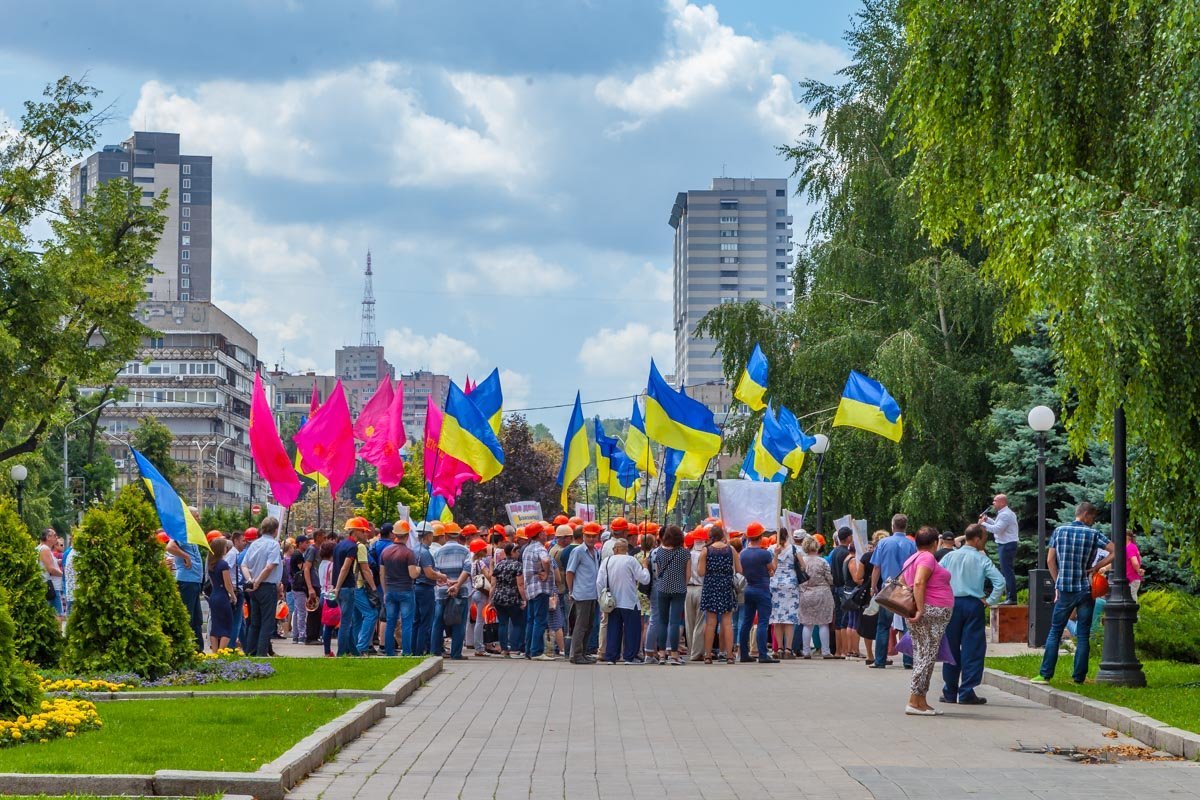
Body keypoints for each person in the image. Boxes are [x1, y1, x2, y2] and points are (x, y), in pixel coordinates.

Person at [1034, 502, 1114, 685]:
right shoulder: (1093, 534)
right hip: (1086, 589)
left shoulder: (1059, 531)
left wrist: (1057, 582)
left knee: (1055, 631)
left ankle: (1045, 675)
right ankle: (1079, 677)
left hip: (1065, 589)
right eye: (1092, 518)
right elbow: (1115, 551)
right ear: (1085, 514)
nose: (1092, 522)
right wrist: (1096, 567)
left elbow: (1050, 560)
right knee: (1083, 634)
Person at [939, 523, 1004, 705]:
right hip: (973, 605)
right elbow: (1000, 581)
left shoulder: (949, 557)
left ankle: (950, 691)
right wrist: (990, 601)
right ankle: (967, 690)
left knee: (950, 648)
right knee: (973, 648)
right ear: (976, 539)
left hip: (951, 604)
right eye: (984, 538)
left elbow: (936, 575)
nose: (984, 542)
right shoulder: (981, 559)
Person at [901, 526, 956, 716]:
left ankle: (921, 700)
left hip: (927, 612)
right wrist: (921, 607)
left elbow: (903, 581)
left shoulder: (912, 558)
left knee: (925, 655)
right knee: (925, 656)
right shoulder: (927, 557)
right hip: (930, 612)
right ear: (935, 543)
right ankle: (913, 701)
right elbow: (918, 582)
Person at [870, 515, 917, 669]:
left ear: (892, 526)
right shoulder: (911, 544)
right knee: (907, 625)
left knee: (883, 625)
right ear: (906, 526)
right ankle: (908, 660)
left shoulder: (883, 543)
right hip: (906, 589)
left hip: (888, 587)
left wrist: (873, 586)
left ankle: (880, 660)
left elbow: (876, 567)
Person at [597, 537, 649, 664]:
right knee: (632, 629)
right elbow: (644, 579)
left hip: (612, 602)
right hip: (630, 601)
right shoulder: (631, 560)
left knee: (613, 629)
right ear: (626, 549)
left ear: (615, 549)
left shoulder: (607, 561)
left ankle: (611, 656)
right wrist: (645, 567)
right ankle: (629, 656)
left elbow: (599, 582)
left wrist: (601, 599)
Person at [698, 525, 741, 664]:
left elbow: (701, 572)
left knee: (710, 623)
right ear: (722, 535)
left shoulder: (706, 550)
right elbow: (739, 569)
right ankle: (729, 655)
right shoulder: (731, 549)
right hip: (726, 586)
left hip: (711, 586)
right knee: (727, 623)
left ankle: (708, 655)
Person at [647, 525, 690, 665]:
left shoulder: (658, 552)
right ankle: (674, 655)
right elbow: (688, 575)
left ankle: (661, 655)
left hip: (662, 588)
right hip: (679, 589)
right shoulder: (684, 553)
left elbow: (658, 572)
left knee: (662, 621)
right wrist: (682, 583)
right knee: (674, 622)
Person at [242, 516, 284, 657]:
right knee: (267, 622)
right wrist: (258, 581)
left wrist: (250, 580)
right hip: (266, 586)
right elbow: (270, 566)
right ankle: (261, 653)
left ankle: (250, 651)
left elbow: (244, 564)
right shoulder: (273, 545)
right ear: (275, 530)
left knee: (255, 622)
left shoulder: (254, 544)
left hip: (254, 586)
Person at [737, 523, 777, 663]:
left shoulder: (743, 554)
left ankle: (743, 653)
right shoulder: (765, 554)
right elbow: (772, 570)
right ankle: (762, 654)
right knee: (762, 622)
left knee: (746, 622)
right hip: (763, 590)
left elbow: (741, 570)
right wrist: (776, 556)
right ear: (760, 537)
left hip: (748, 588)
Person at [432, 524, 471, 659]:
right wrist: (457, 585)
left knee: (438, 622)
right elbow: (467, 570)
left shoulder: (438, 552)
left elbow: (436, 571)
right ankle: (456, 654)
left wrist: (447, 582)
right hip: (461, 592)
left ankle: (435, 652)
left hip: (442, 591)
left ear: (446, 535)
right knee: (459, 623)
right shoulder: (465, 551)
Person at [380, 528, 419, 657]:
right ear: (407, 536)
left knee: (391, 621)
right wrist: (418, 570)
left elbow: (382, 573)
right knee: (406, 623)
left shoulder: (385, 552)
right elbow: (413, 574)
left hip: (390, 591)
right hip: (406, 590)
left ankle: (389, 652)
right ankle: (407, 652)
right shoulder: (409, 553)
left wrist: (385, 591)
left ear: (395, 534)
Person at [566, 524, 602, 664]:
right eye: (588, 536)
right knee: (580, 626)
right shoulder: (578, 551)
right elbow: (570, 572)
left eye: (594, 536)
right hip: (582, 594)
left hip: (593, 593)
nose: (591, 539)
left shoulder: (595, 552)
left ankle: (583, 652)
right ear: (583, 536)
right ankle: (575, 654)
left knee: (588, 626)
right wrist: (571, 591)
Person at [166, 529, 205, 652]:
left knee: (197, 618)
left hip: (194, 581)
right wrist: (186, 556)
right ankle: (183, 648)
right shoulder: (181, 532)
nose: (198, 518)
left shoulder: (191, 534)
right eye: (196, 515)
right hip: (187, 580)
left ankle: (198, 648)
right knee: (187, 616)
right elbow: (170, 546)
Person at [332, 519, 367, 657]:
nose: (365, 534)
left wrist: (334, 586)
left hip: (339, 587)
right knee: (346, 622)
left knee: (349, 621)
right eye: (363, 531)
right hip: (346, 587)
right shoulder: (353, 547)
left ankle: (355, 652)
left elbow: (334, 567)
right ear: (356, 531)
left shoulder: (339, 545)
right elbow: (345, 567)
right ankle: (341, 653)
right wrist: (338, 587)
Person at [798, 534, 836, 659]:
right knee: (823, 623)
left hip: (805, 593)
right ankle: (825, 651)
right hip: (822, 593)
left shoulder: (801, 561)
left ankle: (806, 651)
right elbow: (830, 578)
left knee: (807, 624)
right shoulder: (822, 561)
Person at [522, 524, 554, 661]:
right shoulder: (540, 548)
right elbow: (546, 560)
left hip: (530, 588)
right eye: (543, 532)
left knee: (531, 620)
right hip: (540, 588)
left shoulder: (527, 549)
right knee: (540, 620)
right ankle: (536, 652)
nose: (545, 534)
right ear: (539, 534)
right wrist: (546, 573)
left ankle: (529, 650)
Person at [980, 494, 1019, 604]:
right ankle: (1010, 597)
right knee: (1006, 571)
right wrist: (988, 520)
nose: (993, 503)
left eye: (995, 501)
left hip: (1006, 544)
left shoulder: (1005, 514)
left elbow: (997, 529)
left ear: (1002, 502)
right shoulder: (1003, 514)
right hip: (1006, 544)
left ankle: (1011, 598)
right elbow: (998, 524)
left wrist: (982, 523)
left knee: (1007, 571)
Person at [769, 528, 802, 659]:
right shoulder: (795, 549)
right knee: (789, 619)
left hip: (776, 583)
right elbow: (803, 566)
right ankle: (788, 649)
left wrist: (776, 555)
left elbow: (772, 568)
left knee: (777, 617)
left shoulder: (771, 549)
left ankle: (779, 648)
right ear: (787, 536)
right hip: (791, 585)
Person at [492, 542, 526, 658]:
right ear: (511, 552)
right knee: (517, 623)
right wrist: (524, 599)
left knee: (502, 623)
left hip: (498, 598)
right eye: (517, 551)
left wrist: (490, 599)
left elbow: (493, 584)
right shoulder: (517, 565)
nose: (518, 553)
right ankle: (515, 648)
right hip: (513, 598)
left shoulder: (499, 565)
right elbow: (520, 585)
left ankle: (504, 649)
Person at [411, 524, 438, 656]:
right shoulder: (424, 552)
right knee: (425, 622)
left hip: (415, 587)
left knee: (416, 621)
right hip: (425, 589)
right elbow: (429, 573)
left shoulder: (414, 550)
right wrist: (441, 576)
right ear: (428, 535)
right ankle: (420, 650)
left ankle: (413, 649)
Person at [206, 537, 236, 651]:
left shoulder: (211, 564)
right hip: (222, 596)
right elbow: (228, 583)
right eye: (225, 547)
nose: (226, 549)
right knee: (226, 626)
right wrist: (233, 596)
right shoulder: (223, 564)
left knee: (215, 625)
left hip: (214, 595)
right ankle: (222, 652)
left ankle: (214, 652)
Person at [829, 527, 853, 656]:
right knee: (846, 619)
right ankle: (846, 649)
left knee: (838, 619)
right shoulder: (846, 553)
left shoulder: (835, 551)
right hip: (844, 588)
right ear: (848, 537)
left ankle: (838, 650)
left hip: (835, 587)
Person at [685, 527, 709, 661]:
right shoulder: (705, 554)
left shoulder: (688, 553)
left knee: (690, 622)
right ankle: (696, 652)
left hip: (688, 589)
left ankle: (691, 650)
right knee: (700, 622)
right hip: (701, 588)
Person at [467, 539, 493, 657]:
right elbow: (488, 576)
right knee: (480, 621)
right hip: (482, 593)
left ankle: (477, 645)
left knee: (477, 620)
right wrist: (491, 566)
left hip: (474, 592)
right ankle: (479, 648)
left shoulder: (471, 563)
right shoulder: (481, 563)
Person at [36, 528, 64, 619]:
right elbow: (50, 569)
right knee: (57, 615)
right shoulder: (45, 549)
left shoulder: (39, 548)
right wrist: (62, 574)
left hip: (44, 585)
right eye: (55, 535)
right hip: (50, 586)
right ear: (48, 537)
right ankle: (57, 633)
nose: (56, 537)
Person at [317, 540, 338, 656]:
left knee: (328, 624)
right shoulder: (332, 565)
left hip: (322, 594)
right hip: (330, 595)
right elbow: (332, 581)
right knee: (335, 624)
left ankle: (327, 651)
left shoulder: (321, 564)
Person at [288, 535, 310, 644]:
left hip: (295, 586)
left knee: (297, 611)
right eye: (306, 543)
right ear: (300, 543)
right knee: (301, 612)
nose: (307, 545)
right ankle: (302, 635)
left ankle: (296, 635)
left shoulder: (295, 554)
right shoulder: (298, 555)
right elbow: (304, 569)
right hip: (299, 586)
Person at [1126, 529, 1145, 600]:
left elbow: (1135, 562)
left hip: (1132, 579)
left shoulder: (1130, 547)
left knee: (1131, 600)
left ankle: (1133, 611)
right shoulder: (1131, 546)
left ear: (1127, 537)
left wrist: (1138, 570)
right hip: (1131, 579)